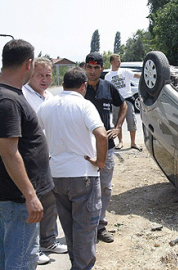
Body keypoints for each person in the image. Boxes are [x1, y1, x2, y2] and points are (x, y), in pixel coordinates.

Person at [37, 67, 108, 269]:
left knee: (68, 228)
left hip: (57, 176)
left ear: (63, 84)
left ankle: (75, 265)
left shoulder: (46, 106)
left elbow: (35, 135)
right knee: (85, 230)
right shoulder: (84, 105)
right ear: (83, 86)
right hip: (83, 175)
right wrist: (100, 162)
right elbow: (102, 135)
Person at [0, 39, 53, 269]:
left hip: (10, 197)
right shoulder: (8, 100)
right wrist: (30, 196)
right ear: (29, 64)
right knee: (20, 260)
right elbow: (9, 152)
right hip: (17, 199)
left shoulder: (8, 94)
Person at [22, 57, 68, 265]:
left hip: (50, 158)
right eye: (40, 75)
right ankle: (32, 249)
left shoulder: (50, 96)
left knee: (50, 202)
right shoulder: (22, 95)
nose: (44, 79)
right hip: (30, 160)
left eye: (48, 75)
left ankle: (48, 240)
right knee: (32, 205)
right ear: (31, 74)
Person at [84, 52, 127, 243]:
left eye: (96, 68)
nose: (92, 71)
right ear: (85, 67)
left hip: (107, 147)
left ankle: (100, 225)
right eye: (89, 67)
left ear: (102, 69)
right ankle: (85, 226)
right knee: (84, 188)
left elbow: (123, 105)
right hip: (84, 147)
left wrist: (117, 128)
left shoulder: (108, 87)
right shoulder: (79, 88)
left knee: (105, 187)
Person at [105, 54, 141, 150]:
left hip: (127, 99)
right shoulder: (108, 76)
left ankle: (133, 142)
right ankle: (120, 142)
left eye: (120, 60)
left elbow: (137, 75)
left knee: (131, 120)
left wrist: (148, 76)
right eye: (117, 61)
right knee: (117, 122)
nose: (119, 62)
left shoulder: (125, 71)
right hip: (116, 102)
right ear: (112, 62)